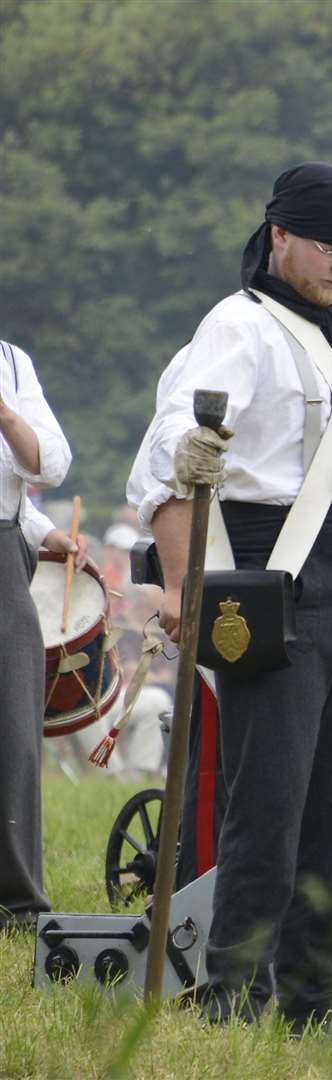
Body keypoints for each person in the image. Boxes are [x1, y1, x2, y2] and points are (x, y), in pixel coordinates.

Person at [128, 162, 332, 1038]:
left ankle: (311, 993)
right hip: (270, 571)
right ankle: (232, 991)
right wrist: (186, 583)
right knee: (271, 792)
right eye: (330, 248)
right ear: (282, 237)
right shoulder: (237, 327)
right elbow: (177, 463)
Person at [0, 338, 84, 932]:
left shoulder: (10, 361)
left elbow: (46, 465)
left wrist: (41, 529)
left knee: (13, 733)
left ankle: (16, 903)